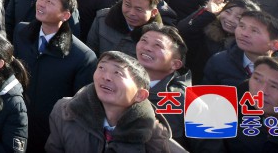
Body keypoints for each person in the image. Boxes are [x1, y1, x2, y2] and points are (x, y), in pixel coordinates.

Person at [46, 50, 187, 152]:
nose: (106, 77)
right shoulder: (65, 111)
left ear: (140, 95)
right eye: (101, 67)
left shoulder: (154, 134)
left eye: (118, 73)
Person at [12, 0, 97, 151]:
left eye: (50, 2)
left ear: (65, 15)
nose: (41, 3)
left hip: (50, 130)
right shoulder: (22, 31)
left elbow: (79, 106)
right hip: (16, 119)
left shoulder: (82, 57)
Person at [203, 9, 278, 86]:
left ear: (275, 45)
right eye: (241, 26)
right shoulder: (219, 61)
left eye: (254, 31)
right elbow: (207, 99)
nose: (244, 34)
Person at [176, 0, 260, 83]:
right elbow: (182, 31)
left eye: (238, 18)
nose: (230, 19)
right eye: (227, 12)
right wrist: (208, 13)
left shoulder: (246, 45)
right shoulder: (205, 26)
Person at [135, 24, 191, 148]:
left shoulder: (188, 102)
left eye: (158, 45)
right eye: (144, 40)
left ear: (175, 64)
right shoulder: (118, 83)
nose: (147, 48)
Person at [87, 0, 163, 56]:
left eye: (139, 9)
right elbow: (91, 51)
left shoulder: (159, 38)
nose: (131, 13)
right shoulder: (103, 18)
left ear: (153, 12)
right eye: (127, 5)